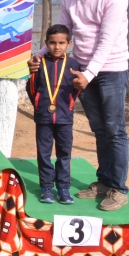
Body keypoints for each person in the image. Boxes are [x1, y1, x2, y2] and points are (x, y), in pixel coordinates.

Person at [28, 0, 129, 211]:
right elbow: (63, 33)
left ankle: (119, 189)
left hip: (110, 70)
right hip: (82, 72)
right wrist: (39, 55)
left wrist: (89, 74)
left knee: (114, 130)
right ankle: (104, 182)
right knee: (99, 129)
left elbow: (107, 40)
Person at [26, 24, 81, 205]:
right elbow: (32, 88)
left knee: (64, 153)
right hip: (44, 117)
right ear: (46, 43)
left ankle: (63, 187)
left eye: (61, 43)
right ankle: (47, 187)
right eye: (52, 43)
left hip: (65, 118)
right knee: (44, 153)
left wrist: (69, 104)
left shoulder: (73, 65)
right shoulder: (38, 64)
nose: (57, 47)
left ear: (69, 43)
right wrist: (39, 105)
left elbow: (78, 89)